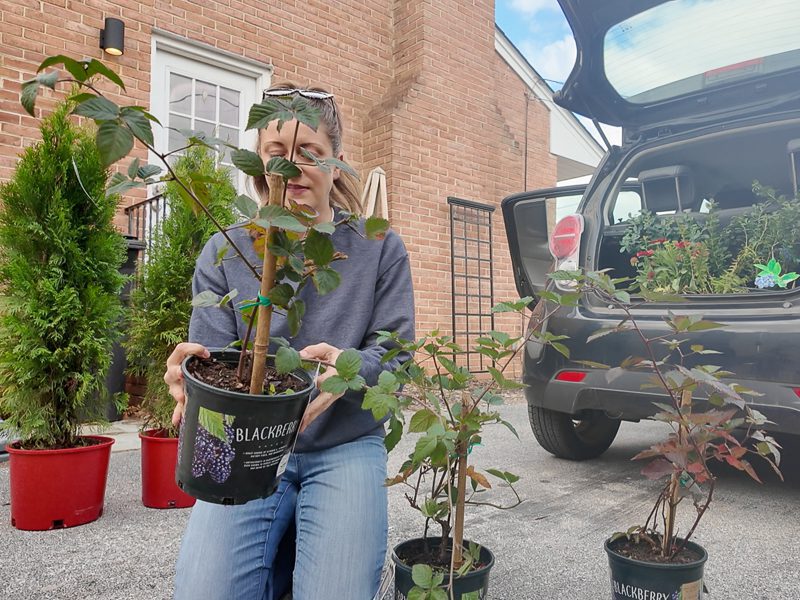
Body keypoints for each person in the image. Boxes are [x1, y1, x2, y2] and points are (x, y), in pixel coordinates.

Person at [164, 84, 415, 600]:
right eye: (276, 154)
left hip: (344, 443)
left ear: (336, 164)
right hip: (244, 446)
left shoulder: (377, 245)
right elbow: (216, 358)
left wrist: (350, 369)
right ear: (258, 165)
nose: (290, 169)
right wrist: (191, 382)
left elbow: (396, 354)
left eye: (309, 153)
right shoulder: (226, 248)